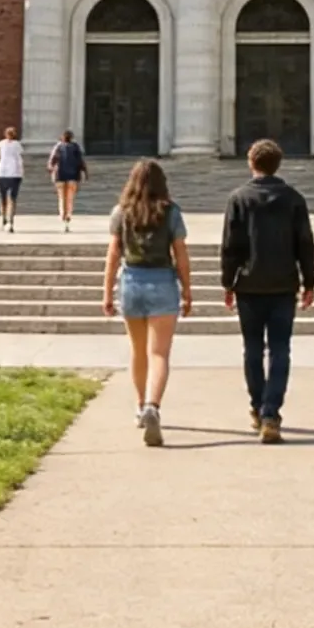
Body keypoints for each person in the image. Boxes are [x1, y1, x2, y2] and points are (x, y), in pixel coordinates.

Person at [220, 140, 314, 444]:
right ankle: (271, 413)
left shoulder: (238, 198)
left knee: (252, 348)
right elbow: (305, 244)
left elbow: (230, 247)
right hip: (284, 284)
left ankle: (257, 407)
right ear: (279, 163)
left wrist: (227, 283)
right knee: (280, 349)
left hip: (249, 284)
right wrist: (309, 282)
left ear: (251, 163)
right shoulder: (294, 198)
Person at [103, 160, 192, 446]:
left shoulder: (121, 212)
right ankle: (154, 405)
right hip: (163, 281)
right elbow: (180, 254)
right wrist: (187, 289)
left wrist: (107, 292)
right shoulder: (171, 212)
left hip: (131, 281)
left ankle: (140, 406)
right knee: (159, 354)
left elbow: (113, 255)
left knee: (138, 350)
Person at [0, 128, 26, 233]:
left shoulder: (0, 144)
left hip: (2, 173)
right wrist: (22, 172)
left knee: (3, 198)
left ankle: (5, 218)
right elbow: (20, 160)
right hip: (14, 174)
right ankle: (10, 220)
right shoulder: (17, 145)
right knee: (12, 198)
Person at [48, 129, 87, 230]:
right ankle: (68, 215)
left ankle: (62, 214)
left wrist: (51, 170)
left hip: (60, 175)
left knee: (61, 197)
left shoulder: (58, 147)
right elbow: (80, 161)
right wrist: (85, 172)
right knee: (70, 197)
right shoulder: (75, 147)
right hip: (73, 175)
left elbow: (52, 161)